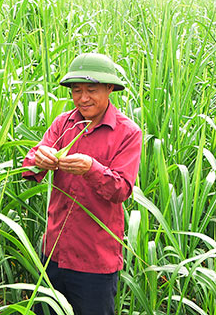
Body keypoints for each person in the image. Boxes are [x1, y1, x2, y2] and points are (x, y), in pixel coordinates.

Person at [23, 53, 144, 315]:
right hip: (53, 254)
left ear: (109, 89)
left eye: (91, 90)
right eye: (76, 91)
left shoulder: (127, 132)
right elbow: (30, 166)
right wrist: (38, 158)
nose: (83, 98)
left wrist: (92, 169)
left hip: (95, 261)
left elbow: (122, 189)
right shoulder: (63, 124)